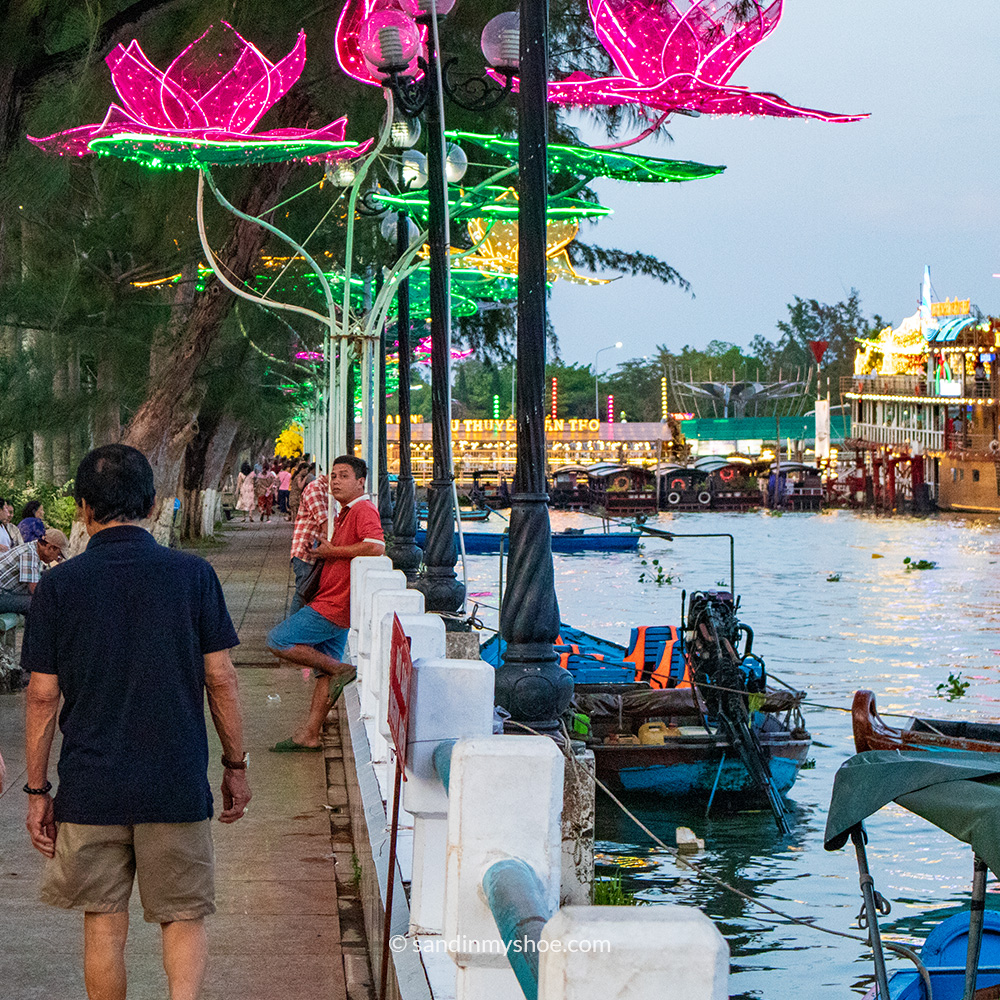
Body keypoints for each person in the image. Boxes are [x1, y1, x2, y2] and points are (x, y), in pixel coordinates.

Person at [22, 444, 250, 1000]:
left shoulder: (59, 586)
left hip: (91, 784)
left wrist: (36, 789)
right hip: (174, 781)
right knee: (184, 916)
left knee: (103, 921)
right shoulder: (192, 576)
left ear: (81, 508)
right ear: (150, 503)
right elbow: (221, 679)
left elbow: (42, 695)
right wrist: (235, 764)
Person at [267, 456, 384, 751]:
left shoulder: (363, 509)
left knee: (277, 640)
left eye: (344, 476)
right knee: (324, 672)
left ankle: (344, 669)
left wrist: (333, 552)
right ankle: (310, 733)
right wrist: (328, 552)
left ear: (361, 482)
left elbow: (376, 546)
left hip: (336, 604)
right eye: (333, 475)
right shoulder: (345, 512)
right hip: (333, 599)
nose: (335, 481)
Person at [287, 465, 331, 618]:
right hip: (306, 551)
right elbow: (325, 523)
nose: (339, 481)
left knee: (308, 594)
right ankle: (289, 632)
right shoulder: (315, 489)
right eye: (338, 476)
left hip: (315, 551)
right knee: (303, 593)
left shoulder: (327, 491)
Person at [0, 528, 67, 614]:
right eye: (58, 555)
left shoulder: (33, 549)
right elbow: (35, 591)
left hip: (5, 593)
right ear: (50, 547)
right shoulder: (29, 554)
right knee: (36, 602)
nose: (57, 559)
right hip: (2, 595)